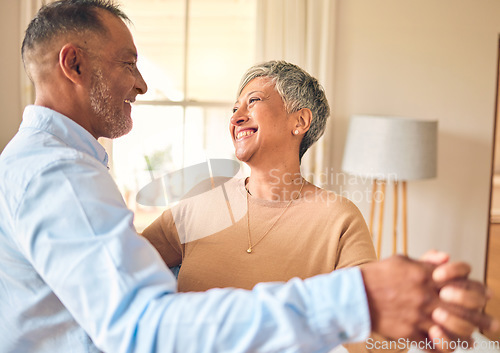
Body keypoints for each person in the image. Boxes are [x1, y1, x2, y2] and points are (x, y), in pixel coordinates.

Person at [0, 1, 496, 352]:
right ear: (74, 64)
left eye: (253, 101)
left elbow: (372, 337)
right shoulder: (183, 208)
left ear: (300, 121)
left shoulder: (339, 217)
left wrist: (428, 327)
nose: (236, 114)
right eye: (233, 105)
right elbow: (136, 318)